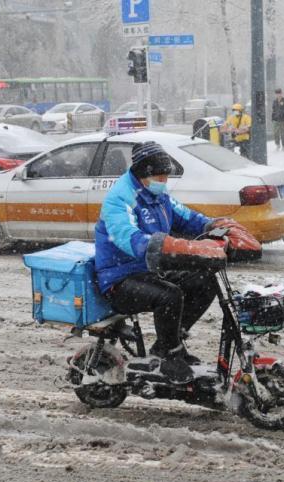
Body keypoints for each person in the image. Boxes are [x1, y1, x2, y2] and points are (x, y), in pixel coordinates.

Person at [94, 141, 261, 384]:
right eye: (160, 176)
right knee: (169, 296)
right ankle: (169, 357)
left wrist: (216, 227)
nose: (164, 180)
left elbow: (188, 218)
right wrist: (174, 247)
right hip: (120, 278)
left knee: (204, 280)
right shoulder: (120, 200)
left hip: (149, 270)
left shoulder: (158, 196)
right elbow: (129, 239)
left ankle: (167, 344)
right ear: (144, 174)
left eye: (166, 176)